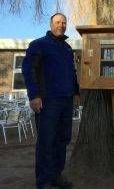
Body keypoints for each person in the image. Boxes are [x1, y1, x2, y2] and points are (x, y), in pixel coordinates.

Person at [22, 13, 80, 189]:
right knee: (46, 141)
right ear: (51, 24)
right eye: (57, 22)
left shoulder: (68, 49)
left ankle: (56, 175)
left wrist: (76, 92)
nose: (61, 25)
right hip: (47, 101)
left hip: (66, 101)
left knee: (62, 140)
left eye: (64, 22)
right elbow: (28, 69)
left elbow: (72, 72)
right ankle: (44, 181)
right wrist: (34, 95)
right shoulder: (39, 44)